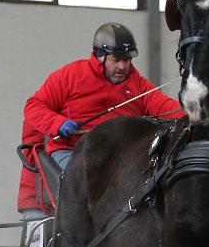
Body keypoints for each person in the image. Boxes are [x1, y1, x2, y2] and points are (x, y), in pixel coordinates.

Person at [23, 22, 183, 170]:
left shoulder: (138, 84)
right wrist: (58, 124)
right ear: (100, 55)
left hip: (120, 156)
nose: (122, 66)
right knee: (87, 180)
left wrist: (195, 113)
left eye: (127, 60)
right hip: (73, 151)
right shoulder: (70, 75)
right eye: (116, 60)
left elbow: (166, 107)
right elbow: (34, 106)